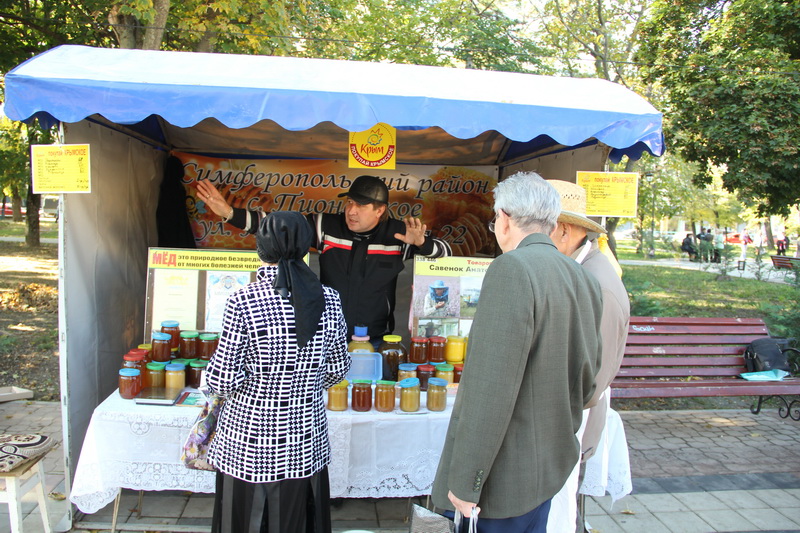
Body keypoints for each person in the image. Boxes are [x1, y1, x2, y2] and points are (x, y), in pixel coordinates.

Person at [431, 172, 603, 532]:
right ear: (552, 222)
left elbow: (489, 391)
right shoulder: (582, 276)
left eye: (495, 219)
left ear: (505, 219)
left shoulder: (511, 268)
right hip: (548, 469)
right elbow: (589, 383)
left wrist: (465, 482)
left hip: (503, 482)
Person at [204, 211, 351, 533]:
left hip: (248, 443)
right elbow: (338, 370)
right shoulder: (330, 299)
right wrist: (303, 384)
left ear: (261, 247)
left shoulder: (243, 300)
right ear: (306, 248)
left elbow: (222, 381)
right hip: (305, 439)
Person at [197, 176, 451, 342]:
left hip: (376, 338)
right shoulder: (325, 226)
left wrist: (422, 243)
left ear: (380, 210)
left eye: (361, 206)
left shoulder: (398, 235)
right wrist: (229, 213)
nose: (351, 211)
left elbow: (447, 256)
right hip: (327, 336)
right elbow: (277, 226)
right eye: (350, 202)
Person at [546, 180, 631, 533]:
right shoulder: (575, 269)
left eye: (535, 229)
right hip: (559, 414)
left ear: (564, 231)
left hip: (569, 419)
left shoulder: (597, 283)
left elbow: (591, 382)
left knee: (557, 511)